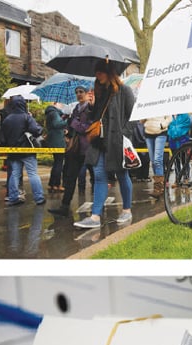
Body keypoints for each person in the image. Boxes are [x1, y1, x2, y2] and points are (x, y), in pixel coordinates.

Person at [73, 58, 134, 229]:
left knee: (122, 175)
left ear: (109, 73)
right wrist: (91, 106)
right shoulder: (99, 92)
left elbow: (133, 117)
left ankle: (127, 210)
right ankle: (95, 217)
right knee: (99, 176)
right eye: (96, 73)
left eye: (99, 72)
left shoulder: (124, 90)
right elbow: (94, 118)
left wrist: (124, 135)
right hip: (99, 140)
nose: (97, 75)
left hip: (117, 142)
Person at [49, 86, 92, 217]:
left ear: (87, 93)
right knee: (70, 177)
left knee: (96, 177)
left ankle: (98, 209)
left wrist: (74, 124)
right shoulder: (75, 109)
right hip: (75, 149)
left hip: (88, 148)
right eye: (77, 92)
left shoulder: (91, 108)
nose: (79, 94)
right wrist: (68, 131)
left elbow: (88, 128)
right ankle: (65, 206)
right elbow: (71, 125)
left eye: (81, 92)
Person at [1, 95, 46, 206]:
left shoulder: (7, 119)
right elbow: (36, 131)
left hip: (13, 151)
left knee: (14, 174)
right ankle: (39, 198)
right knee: (32, 174)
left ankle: (13, 197)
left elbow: (3, 137)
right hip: (27, 150)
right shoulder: (26, 117)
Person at [142, 115, 171, 198]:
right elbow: (141, 120)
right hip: (148, 133)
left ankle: (159, 187)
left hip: (161, 132)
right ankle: (158, 186)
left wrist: (162, 125)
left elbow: (169, 118)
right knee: (153, 161)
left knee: (157, 160)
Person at [44, 103, 67, 192]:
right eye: (61, 103)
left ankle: (51, 184)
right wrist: (67, 121)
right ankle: (56, 184)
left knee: (56, 163)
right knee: (59, 163)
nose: (62, 105)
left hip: (53, 139)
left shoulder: (50, 112)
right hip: (58, 141)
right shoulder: (54, 113)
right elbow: (57, 124)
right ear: (56, 103)